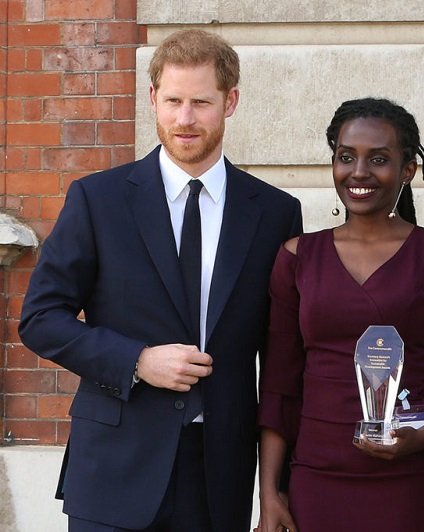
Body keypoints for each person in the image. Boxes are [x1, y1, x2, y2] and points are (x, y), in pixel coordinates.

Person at [19, 29, 302, 531]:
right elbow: (40, 319)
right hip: (113, 469)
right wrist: (137, 360)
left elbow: (281, 361)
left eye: (201, 102)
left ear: (230, 102)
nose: (184, 118)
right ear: (152, 98)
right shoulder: (97, 200)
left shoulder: (276, 213)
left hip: (219, 476)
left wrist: (274, 487)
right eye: (173, 101)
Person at [256, 97, 424, 532]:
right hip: (318, 477)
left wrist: (423, 437)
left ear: (408, 169)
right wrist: (270, 493)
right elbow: (278, 386)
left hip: (413, 481)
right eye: (346, 157)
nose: (359, 172)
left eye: (379, 159)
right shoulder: (297, 257)